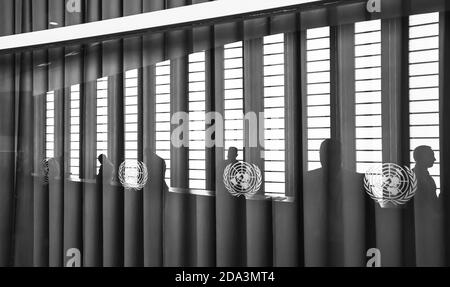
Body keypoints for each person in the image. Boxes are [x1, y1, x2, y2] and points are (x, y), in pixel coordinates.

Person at [413, 145, 444, 266]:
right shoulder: (416, 176)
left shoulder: (425, 176)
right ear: (422, 157)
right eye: (432, 156)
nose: (435, 159)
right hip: (422, 223)